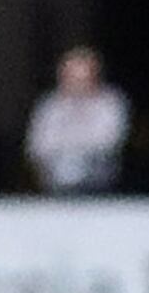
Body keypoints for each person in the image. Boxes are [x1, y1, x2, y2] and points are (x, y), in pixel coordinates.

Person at [23, 46, 128, 194]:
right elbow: (37, 146)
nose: (78, 85)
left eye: (83, 79)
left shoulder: (110, 103)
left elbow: (109, 142)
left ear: (94, 77)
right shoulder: (49, 106)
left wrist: (70, 147)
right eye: (72, 78)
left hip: (99, 186)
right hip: (54, 185)